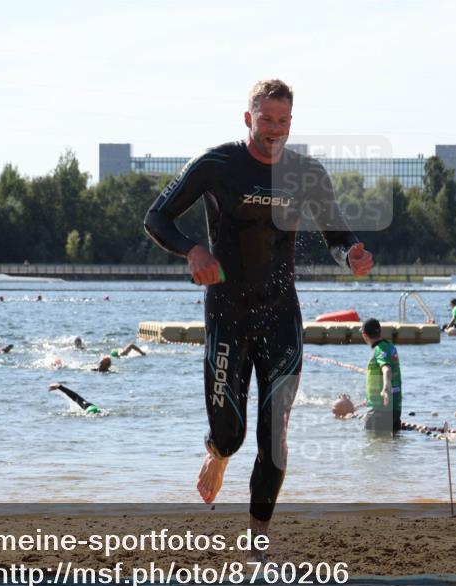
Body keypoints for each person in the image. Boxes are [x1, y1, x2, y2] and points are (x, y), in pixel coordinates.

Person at [143, 78, 374, 535]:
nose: (274, 130)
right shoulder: (216, 165)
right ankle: (218, 452)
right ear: (249, 119)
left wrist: (350, 254)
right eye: (266, 120)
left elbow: (337, 234)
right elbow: (156, 217)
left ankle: (256, 544)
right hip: (228, 314)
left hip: (280, 315)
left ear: (292, 122)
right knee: (231, 435)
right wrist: (192, 251)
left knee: (276, 441)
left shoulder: (307, 174)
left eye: (283, 121)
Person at [360, 318, 402, 434]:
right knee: (391, 447)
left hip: (380, 410)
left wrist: (385, 389)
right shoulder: (391, 347)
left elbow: (386, 369)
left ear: (364, 335)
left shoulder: (379, 349)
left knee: (373, 446)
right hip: (395, 409)